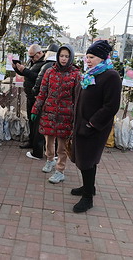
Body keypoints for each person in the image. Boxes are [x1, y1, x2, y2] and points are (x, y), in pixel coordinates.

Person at [70, 40, 122, 213]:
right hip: (82, 122)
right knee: (85, 158)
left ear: (101, 57)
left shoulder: (111, 76)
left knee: (87, 159)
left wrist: (92, 123)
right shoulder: (91, 73)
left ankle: (87, 198)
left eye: (91, 57)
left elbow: (111, 106)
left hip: (94, 126)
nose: (88, 60)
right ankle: (88, 187)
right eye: (87, 56)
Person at [31, 44, 81, 183]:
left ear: (70, 57)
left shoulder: (76, 74)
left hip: (66, 115)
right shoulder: (50, 72)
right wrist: (36, 109)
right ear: (57, 57)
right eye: (61, 56)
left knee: (62, 146)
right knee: (48, 142)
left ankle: (60, 170)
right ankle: (49, 160)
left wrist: (77, 116)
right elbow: (42, 92)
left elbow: (77, 97)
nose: (63, 59)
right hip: (49, 111)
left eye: (66, 56)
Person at [13, 44, 45, 159]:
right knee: (30, 121)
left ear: (39, 53)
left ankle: (37, 146)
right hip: (30, 95)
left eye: (32, 56)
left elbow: (37, 77)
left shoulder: (44, 64)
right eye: (30, 57)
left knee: (36, 123)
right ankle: (31, 141)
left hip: (37, 97)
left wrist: (25, 70)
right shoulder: (34, 62)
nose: (31, 59)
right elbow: (27, 73)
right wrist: (17, 68)